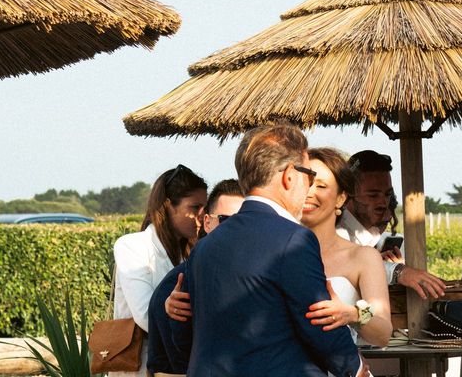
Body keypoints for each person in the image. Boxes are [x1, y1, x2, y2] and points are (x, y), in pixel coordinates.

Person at [186, 124, 365, 376]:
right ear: (289, 176)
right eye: (309, 176)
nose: (309, 187)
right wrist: (355, 367)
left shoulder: (206, 245)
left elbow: (184, 328)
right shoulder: (293, 240)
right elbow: (317, 320)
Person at [112, 164, 207, 377]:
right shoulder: (131, 246)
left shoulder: (193, 253)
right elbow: (145, 314)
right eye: (194, 207)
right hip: (139, 366)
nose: (201, 215)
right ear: (169, 206)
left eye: (205, 208)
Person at [147, 179, 244, 377]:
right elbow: (181, 360)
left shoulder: (244, 274)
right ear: (207, 222)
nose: (236, 229)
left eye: (243, 220)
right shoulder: (179, 282)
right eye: (226, 220)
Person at [302, 147, 392, 348]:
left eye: (321, 186)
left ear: (341, 198)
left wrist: (354, 313)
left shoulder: (363, 257)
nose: (309, 193)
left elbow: (383, 330)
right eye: (304, 184)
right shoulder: (274, 253)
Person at [336, 150, 445, 299]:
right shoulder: (335, 231)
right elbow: (345, 262)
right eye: (373, 195)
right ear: (348, 194)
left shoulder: (379, 239)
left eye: (387, 195)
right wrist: (398, 272)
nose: (382, 203)